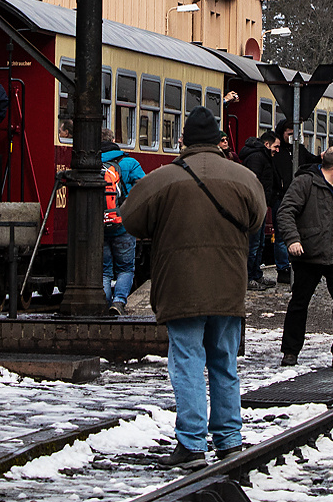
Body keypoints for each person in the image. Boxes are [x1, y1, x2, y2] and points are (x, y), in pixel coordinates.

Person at [118, 107, 266, 470]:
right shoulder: (244, 178)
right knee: (224, 362)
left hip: (180, 285)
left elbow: (130, 218)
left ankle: (191, 445)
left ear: (182, 140)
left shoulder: (162, 179)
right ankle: (230, 441)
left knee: (186, 362)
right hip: (228, 285)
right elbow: (259, 218)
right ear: (219, 140)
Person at [275, 146, 333, 368]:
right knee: (300, 302)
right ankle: (290, 351)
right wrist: (293, 240)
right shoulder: (306, 182)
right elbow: (286, 211)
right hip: (310, 252)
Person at [238, 131, 290, 290]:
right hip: (254, 207)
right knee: (253, 245)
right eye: (276, 146)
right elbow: (253, 182)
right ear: (266, 144)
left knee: (259, 243)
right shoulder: (257, 158)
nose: (277, 150)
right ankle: (249, 278)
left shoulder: (263, 157)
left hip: (261, 204)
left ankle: (256, 275)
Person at [100, 129, 144, 312]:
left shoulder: (90, 165)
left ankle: (103, 302)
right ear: (114, 140)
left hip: (98, 226)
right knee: (126, 268)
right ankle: (119, 302)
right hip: (123, 224)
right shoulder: (129, 163)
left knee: (104, 271)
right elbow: (144, 186)